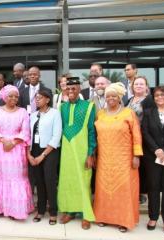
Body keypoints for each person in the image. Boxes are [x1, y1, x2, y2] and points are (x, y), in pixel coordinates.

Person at [94, 82, 143, 233]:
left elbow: (137, 135)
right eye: (108, 96)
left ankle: (124, 220)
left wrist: (136, 155)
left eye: (114, 96)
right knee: (103, 189)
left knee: (123, 189)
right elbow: (95, 135)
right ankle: (103, 217)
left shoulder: (128, 113)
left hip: (124, 159)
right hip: (104, 158)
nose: (111, 98)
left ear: (120, 97)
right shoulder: (100, 113)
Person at [0, 85, 34, 220]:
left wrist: (13, 142)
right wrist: (2, 139)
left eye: (16, 96)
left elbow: (26, 132)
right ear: (4, 97)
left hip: (16, 150)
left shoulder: (23, 111)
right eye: (10, 96)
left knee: (15, 179)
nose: (13, 98)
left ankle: (14, 210)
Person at [57, 77, 96, 230]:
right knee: (68, 181)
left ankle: (86, 214)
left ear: (80, 89)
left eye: (74, 88)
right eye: (68, 88)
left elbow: (92, 131)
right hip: (66, 153)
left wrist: (90, 154)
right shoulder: (62, 108)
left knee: (84, 182)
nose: (70, 91)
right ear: (64, 90)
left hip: (82, 152)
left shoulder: (89, 106)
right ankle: (71, 211)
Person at [28, 89, 62, 224]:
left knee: (50, 182)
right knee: (39, 182)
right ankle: (41, 210)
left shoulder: (55, 114)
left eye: (40, 98)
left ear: (48, 100)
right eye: (36, 98)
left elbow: (56, 137)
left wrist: (42, 155)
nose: (37, 100)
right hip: (35, 150)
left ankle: (53, 211)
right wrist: (29, 154)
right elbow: (29, 135)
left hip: (50, 151)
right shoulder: (33, 115)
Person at [142, 86, 164, 235]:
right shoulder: (148, 113)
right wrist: (157, 150)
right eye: (157, 95)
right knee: (153, 186)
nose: (160, 97)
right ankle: (153, 217)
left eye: (163, 95)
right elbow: (145, 132)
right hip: (152, 156)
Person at [126, 76, 155, 204]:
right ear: (132, 87)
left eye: (141, 84)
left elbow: (151, 120)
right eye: (136, 84)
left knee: (143, 166)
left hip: (144, 137)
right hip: (129, 138)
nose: (138, 86)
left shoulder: (150, 100)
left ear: (146, 87)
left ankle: (142, 193)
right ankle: (133, 190)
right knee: (133, 165)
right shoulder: (129, 100)